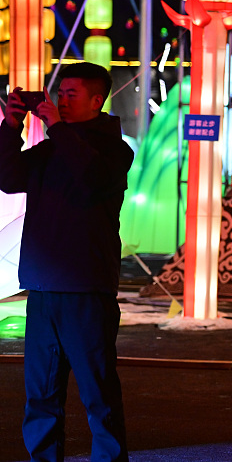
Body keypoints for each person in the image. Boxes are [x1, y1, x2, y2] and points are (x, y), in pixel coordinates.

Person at [0, 63, 135, 462]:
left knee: (98, 392)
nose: (61, 100)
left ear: (97, 101)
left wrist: (57, 128)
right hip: (43, 288)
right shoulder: (51, 148)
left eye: (71, 94)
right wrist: (11, 127)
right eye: (60, 93)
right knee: (40, 394)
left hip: (87, 288)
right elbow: (9, 178)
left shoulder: (114, 150)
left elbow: (90, 177)